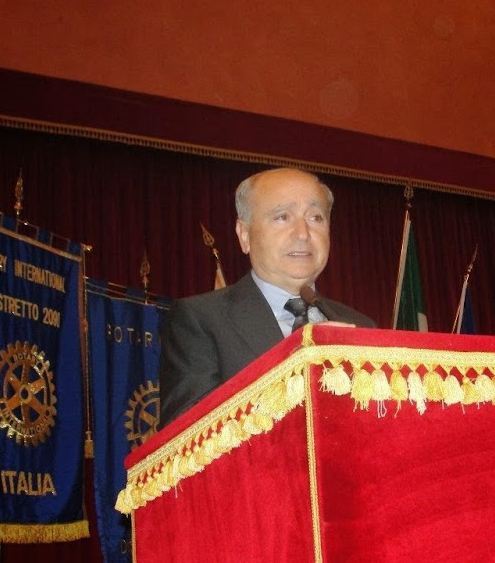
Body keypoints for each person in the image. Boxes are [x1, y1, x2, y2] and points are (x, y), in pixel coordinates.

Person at [159, 167, 376, 427]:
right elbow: (188, 435)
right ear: (244, 235)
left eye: (315, 217)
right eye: (282, 217)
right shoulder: (201, 320)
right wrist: (299, 370)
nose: (303, 233)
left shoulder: (361, 327)